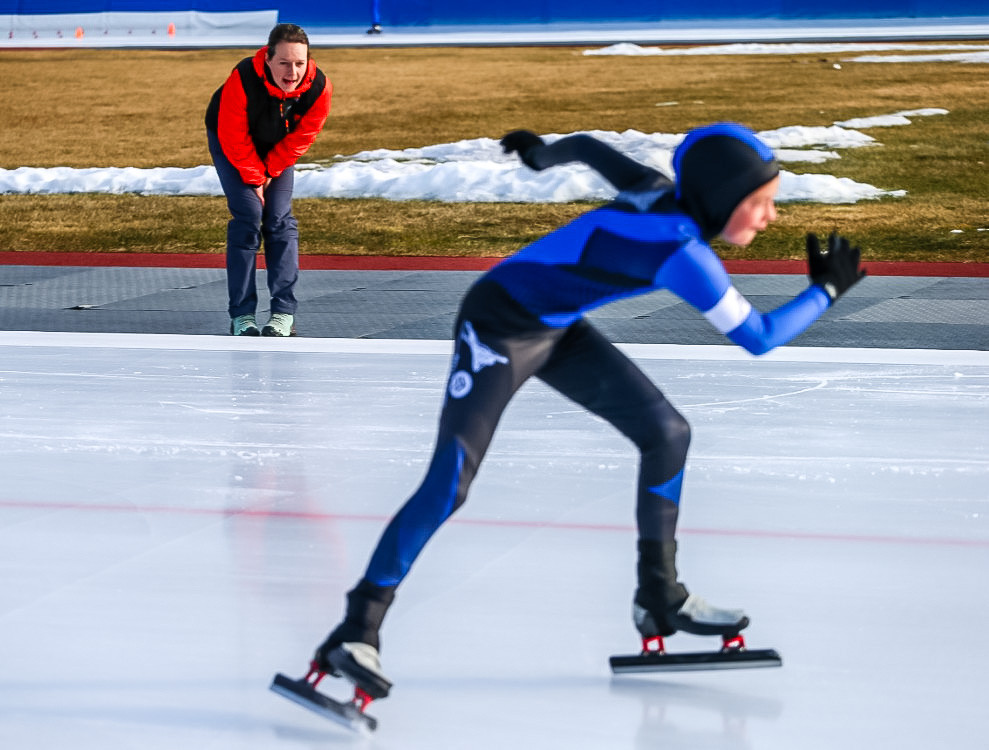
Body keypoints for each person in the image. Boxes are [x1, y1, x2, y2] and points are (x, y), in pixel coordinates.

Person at [309, 123, 866, 700]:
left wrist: (539, 156)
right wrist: (825, 291)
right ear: (725, 197)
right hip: (497, 326)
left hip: (556, 327)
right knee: (451, 481)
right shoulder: (683, 253)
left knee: (667, 433)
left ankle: (660, 596)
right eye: (761, 202)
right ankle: (356, 628)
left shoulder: (653, 190)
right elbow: (759, 337)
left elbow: (585, 147)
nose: (770, 217)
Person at [205, 23, 331, 337]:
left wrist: (270, 171)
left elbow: (303, 136)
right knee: (249, 215)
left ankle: (283, 313)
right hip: (230, 143)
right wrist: (254, 178)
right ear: (268, 59)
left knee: (278, 218)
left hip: (278, 149)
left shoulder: (319, 87)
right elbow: (233, 137)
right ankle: (242, 315)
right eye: (284, 63)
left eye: (299, 63)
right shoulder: (244, 77)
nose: (293, 72)